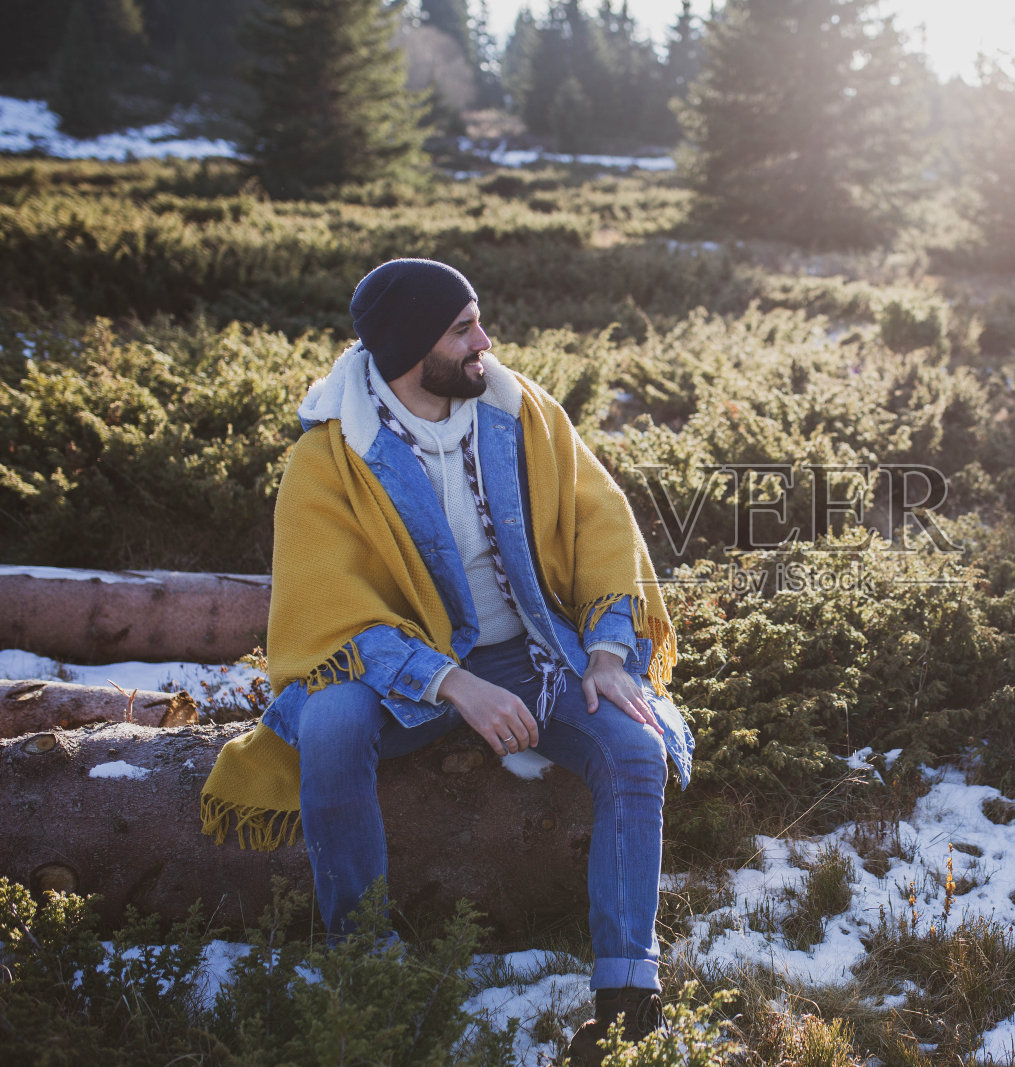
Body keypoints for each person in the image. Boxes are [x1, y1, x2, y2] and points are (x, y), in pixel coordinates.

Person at [200, 258, 691, 1064]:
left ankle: (627, 1002)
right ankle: (364, 963)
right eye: (463, 328)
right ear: (406, 347)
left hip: (528, 655)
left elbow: (603, 525)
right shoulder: (330, 459)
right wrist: (450, 681)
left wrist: (607, 651)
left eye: (478, 322)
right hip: (403, 676)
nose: (485, 342)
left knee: (635, 745)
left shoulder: (518, 409)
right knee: (327, 721)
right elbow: (332, 617)